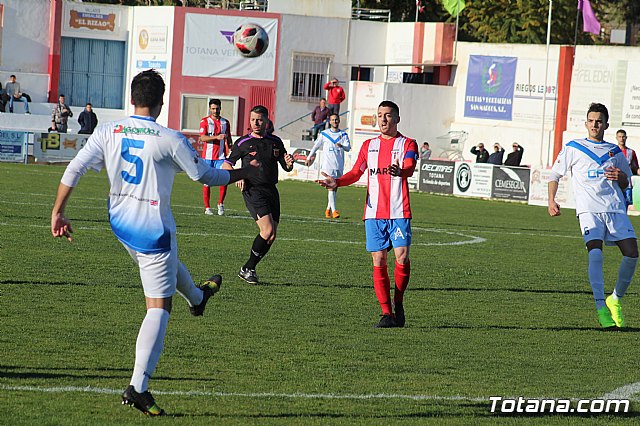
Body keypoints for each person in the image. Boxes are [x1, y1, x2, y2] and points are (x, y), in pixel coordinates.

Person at [50, 70, 259, 416]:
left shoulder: (107, 130)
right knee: (159, 308)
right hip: (153, 231)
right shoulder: (168, 138)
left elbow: (73, 169)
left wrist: (58, 213)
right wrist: (243, 172)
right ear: (161, 102)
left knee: (163, 269)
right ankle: (138, 386)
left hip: (119, 223)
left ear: (132, 98)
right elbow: (204, 175)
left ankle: (198, 296)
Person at [317, 101, 418, 328]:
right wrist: (337, 182)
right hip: (373, 213)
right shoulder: (368, 146)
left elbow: (410, 167)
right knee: (378, 259)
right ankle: (386, 314)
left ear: (397, 119)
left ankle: (398, 301)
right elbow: (356, 172)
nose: (383, 119)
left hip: (399, 210)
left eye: (388, 115)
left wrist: (400, 171)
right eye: (380, 115)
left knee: (401, 257)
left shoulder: (408, 143)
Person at [548, 102, 637, 329]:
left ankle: (614, 299)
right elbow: (555, 174)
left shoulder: (615, 152)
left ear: (606, 124)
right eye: (591, 120)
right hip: (589, 210)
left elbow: (627, 182)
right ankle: (600, 307)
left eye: (599, 121)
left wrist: (620, 177)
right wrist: (551, 200)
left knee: (632, 254)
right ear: (586, 123)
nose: (594, 124)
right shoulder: (574, 147)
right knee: (595, 253)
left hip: (614, 208)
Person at [224, 105, 294, 285]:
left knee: (271, 236)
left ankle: (248, 268)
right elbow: (227, 164)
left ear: (266, 120)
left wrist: (289, 163)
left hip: (271, 189)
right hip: (253, 189)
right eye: (253, 119)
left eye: (259, 119)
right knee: (267, 230)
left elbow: (286, 166)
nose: (256, 123)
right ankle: (248, 268)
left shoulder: (275, 142)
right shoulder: (243, 142)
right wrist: (238, 175)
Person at [305, 113, 351, 218]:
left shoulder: (343, 135)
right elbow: (316, 146)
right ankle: (335, 211)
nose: (335, 121)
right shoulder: (324, 134)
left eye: (336, 120)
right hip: (328, 165)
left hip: (338, 165)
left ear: (339, 121)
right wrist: (309, 157)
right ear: (329, 121)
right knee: (331, 187)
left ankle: (328, 210)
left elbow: (348, 148)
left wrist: (342, 145)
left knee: (335, 188)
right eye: (333, 120)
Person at [200, 99, 233, 216]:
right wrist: (216, 137)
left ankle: (220, 203)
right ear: (210, 108)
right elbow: (203, 138)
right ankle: (207, 207)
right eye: (213, 108)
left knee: (224, 179)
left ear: (220, 108)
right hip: (207, 157)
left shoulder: (225, 122)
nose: (215, 111)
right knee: (207, 182)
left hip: (221, 157)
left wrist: (230, 146)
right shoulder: (205, 121)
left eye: (217, 108)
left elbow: (228, 137)